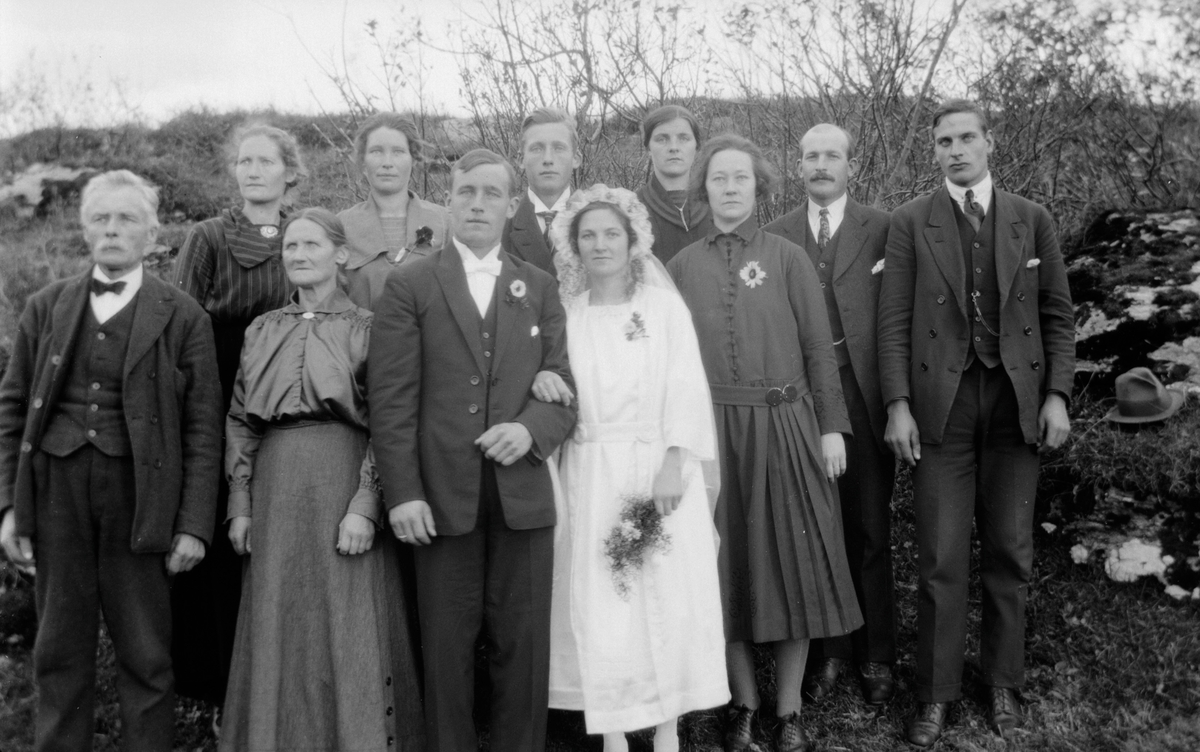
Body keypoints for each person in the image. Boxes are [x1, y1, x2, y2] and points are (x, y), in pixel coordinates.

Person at [0, 170, 222, 751]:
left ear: (152, 233)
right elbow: (12, 409)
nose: (113, 229)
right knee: (57, 652)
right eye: (101, 218)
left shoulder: (183, 315)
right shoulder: (46, 307)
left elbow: (203, 429)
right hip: (55, 494)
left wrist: (193, 524)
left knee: (147, 655)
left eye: (127, 219)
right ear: (84, 229)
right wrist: (8, 508)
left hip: (141, 499)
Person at [877, 99, 1074, 746]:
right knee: (939, 554)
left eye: (966, 138)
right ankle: (935, 693)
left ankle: (1002, 682)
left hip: (1016, 401)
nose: (955, 150)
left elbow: (1057, 317)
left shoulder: (1032, 219)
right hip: (943, 403)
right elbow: (893, 324)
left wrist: (1058, 396)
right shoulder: (910, 222)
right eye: (943, 141)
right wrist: (899, 403)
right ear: (933, 151)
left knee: (1011, 550)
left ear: (990, 142)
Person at [369, 148, 577, 751]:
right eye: (466, 193)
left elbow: (565, 393)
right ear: (449, 200)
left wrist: (529, 430)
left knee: (523, 650)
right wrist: (403, 494)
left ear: (512, 205)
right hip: (440, 501)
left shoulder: (538, 286)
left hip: (524, 502)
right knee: (446, 651)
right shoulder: (410, 284)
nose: (478, 204)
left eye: (491, 194)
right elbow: (391, 402)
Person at [667, 134, 863, 752]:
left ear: (760, 188)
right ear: (704, 190)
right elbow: (667, 364)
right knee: (724, 571)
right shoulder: (681, 267)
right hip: (713, 435)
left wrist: (831, 426)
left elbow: (818, 350)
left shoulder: (786, 258)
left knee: (793, 566)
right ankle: (743, 707)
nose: (729, 188)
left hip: (785, 428)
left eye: (741, 179)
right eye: (718, 179)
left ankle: (789, 712)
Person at [219, 208, 424, 751]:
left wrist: (366, 503)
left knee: (352, 619)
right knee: (279, 623)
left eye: (311, 244)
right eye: (290, 247)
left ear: (339, 254)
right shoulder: (262, 329)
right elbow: (241, 417)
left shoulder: (368, 327)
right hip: (276, 488)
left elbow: (389, 420)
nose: (299, 255)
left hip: (343, 477)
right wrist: (241, 500)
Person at [535, 185, 728, 752]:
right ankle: (614, 732)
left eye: (611, 234)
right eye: (588, 235)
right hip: (591, 472)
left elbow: (686, 384)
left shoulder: (662, 307)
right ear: (573, 245)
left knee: (665, 594)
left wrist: (674, 463)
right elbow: (553, 385)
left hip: (658, 467)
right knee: (604, 600)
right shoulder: (566, 315)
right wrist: (545, 382)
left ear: (632, 240)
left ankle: (667, 728)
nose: (600, 245)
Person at [169, 122, 305, 709]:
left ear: (290, 172)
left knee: (273, 516)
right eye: (244, 162)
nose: (252, 171)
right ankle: (214, 681)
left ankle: (280, 674)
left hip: (284, 378)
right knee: (221, 515)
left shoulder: (306, 233)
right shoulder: (208, 236)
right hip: (216, 375)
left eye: (265, 161)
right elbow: (179, 320)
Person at [763, 123, 897, 706]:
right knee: (816, 529)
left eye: (832, 156)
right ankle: (829, 655)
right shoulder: (775, 235)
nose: (821, 165)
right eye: (811, 156)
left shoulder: (885, 229)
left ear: (850, 165)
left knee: (870, 527)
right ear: (798, 167)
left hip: (865, 398)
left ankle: (877, 654)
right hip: (803, 406)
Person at [340, 112, 452, 310]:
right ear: (363, 161)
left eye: (398, 151)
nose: (387, 162)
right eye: (376, 151)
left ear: (414, 159)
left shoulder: (445, 222)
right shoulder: (341, 225)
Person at [502, 107, 580, 277]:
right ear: (521, 159)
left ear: (576, 158)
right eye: (537, 149)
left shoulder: (595, 221)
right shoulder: (501, 227)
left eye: (559, 148)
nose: (548, 159)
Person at [635, 105, 712, 265]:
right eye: (662, 139)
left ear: (696, 146)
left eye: (683, 138)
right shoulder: (632, 209)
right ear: (648, 147)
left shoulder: (716, 205)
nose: (674, 148)